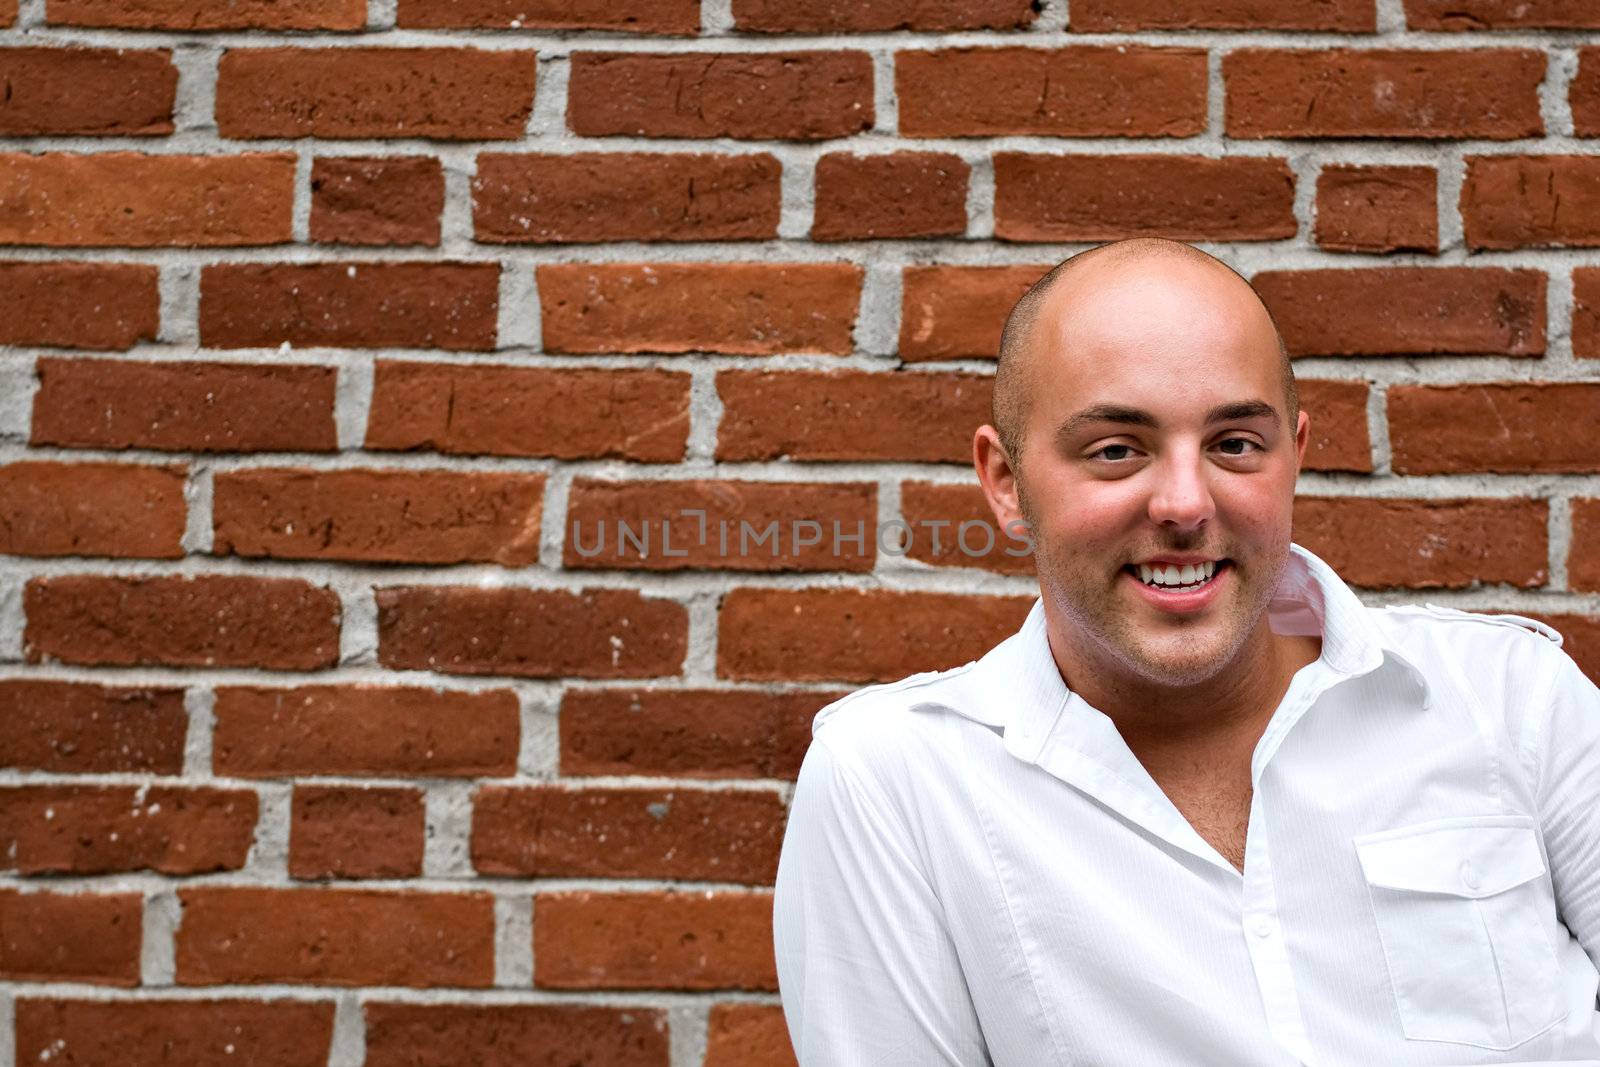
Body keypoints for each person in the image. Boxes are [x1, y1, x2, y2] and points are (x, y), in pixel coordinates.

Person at [771, 238, 1600, 1066]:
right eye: (1116, 450)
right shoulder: (900, 785)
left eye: (1235, 443)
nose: (1183, 503)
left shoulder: (1512, 700)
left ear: (1296, 457)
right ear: (1004, 479)